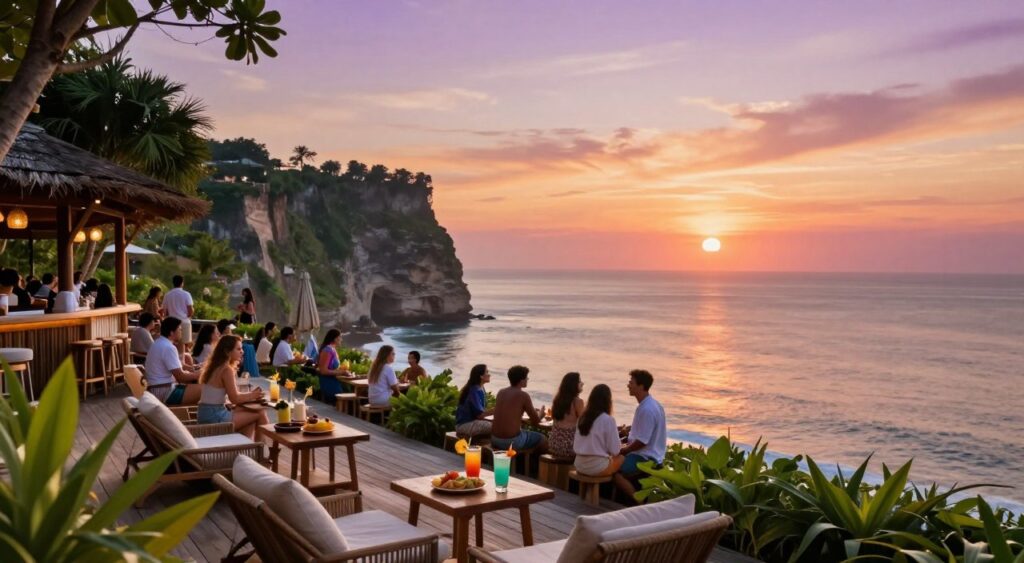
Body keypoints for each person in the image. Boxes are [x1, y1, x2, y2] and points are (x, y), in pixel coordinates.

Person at [197, 334, 268, 438]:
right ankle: (261, 446)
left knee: (250, 416)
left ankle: (246, 445)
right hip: (214, 417)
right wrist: (254, 395)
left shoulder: (215, 366)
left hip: (205, 413)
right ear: (227, 351)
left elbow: (225, 396)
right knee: (260, 413)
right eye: (238, 349)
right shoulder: (226, 369)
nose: (242, 352)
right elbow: (235, 398)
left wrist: (252, 394)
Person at [614, 369, 667, 498]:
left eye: (631, 383)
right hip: (652, 453)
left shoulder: (647, 409)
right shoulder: (652, 404)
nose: (628, 385)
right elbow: (646, 429)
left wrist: (624, 450)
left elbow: (643, 441)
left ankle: (638, 500)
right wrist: (628, 431)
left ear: (641, 386)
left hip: (645, 457)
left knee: (615, 471)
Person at [144, 317, 201, 405]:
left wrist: (194, 371)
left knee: (199, 387)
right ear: (171, 332)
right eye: (179, 329)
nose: (181, 331)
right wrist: (199, 374)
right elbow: (181, 377)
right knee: (207, 390)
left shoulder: (158, 343)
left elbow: (179, 370)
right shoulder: (168, 347)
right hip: (164, 392)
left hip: (156, 389)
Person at [491, 365, 548, 454]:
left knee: (523, 432)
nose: (527, 380)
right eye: (526, 378)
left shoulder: (501, 392)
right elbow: (535, 421)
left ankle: (522, 460)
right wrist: (541, 413)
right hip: (511, 442)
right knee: (543, 439)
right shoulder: (523, 395)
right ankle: (533, 462)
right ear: (521, 381)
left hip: (495, 439)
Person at [573, 384, 625, 477]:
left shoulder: (582, 418)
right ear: (608, 401)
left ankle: (588, 486)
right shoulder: (608, 420)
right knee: (621, 458)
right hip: (596, 467)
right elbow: (615, 451)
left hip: (579, 465)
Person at [549, 372, 585, 459]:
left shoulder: (557, 400)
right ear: (573, 385)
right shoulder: (578, 402)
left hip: (554, 445)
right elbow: (584, 424)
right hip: (569, 448)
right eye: (580, 382)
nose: (582, 383)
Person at [455, 364, 493, 438]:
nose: (489, 375)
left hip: (471, 423)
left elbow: (480, 414)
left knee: (498, 424)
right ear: (481, 376)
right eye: (487, 372)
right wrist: (497, 410)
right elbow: (480, 415)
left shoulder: (480, 388)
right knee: (498, 426)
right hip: (464, 425)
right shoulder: (474, 390)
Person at [316, 329, 352, 398]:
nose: (341, 339)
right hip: (329, 383)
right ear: (335, 339)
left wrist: (343, 371)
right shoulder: (327, 350)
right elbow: (323, 371)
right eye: (340, 337)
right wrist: (341, 372)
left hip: (335, 381)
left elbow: (332, 368)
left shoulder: (332, 349)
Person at [162, 275, 194, 347]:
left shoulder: (167, 295)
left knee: (172, 344)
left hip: (171, 323)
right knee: (186, 345)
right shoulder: (186, 294)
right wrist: (187, 317)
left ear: (173, 283)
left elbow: (165, 311)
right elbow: (190, 310)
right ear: (182, 283)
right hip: (184, 321)